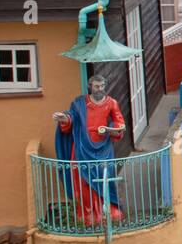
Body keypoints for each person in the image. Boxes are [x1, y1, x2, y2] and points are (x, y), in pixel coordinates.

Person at [53, 74, 127, 225]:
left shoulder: (111, 103)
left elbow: (120, 124)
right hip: (81, 148)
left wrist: (110, 129)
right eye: (96, 86)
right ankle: (88, 213)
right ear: (90, 87)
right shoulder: (79, 103)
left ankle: (110, 209)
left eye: (102, 86)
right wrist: (64, 119)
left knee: (106, 178)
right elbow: (71, 119)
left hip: (103, 149)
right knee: (83, 182)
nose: (99, 89)